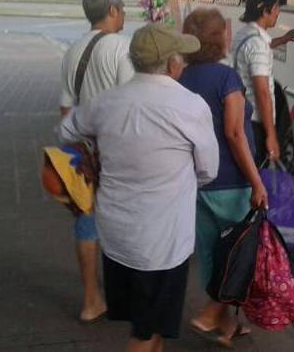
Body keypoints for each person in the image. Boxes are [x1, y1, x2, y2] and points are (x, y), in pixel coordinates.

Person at [58, 24, 218, 352]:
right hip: (162, 242)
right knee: (145, 332)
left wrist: (88, 155)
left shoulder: (106, 102)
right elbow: (208, 171)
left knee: (148, 324)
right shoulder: (190, 106)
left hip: (116, 235)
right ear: (171, 64)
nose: (185, 64)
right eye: (182, 58)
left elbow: (65, 129)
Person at [179, 8, 268, 347]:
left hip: (197, 182)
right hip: (231, 180)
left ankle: (228, 323)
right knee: (241, 254)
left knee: (212, 253)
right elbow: (234, 133)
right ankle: (209, 313)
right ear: (220, 39)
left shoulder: (183, 77)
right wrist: (257, 182)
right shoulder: (226, 79)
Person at [59, 0, 134, 323]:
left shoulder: (73, 49)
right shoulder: (120, 47)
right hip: (114, 151)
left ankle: (91, 298)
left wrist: (75, 149)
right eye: (122, 9)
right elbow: (131, 103)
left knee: (86, 223)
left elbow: (66, 110)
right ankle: (124, 295)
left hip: (80, 150)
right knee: (123, 222)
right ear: (113, 10)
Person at [231, 0, 294, 165]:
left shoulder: (246, 34)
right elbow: (262, 92)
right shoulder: (257, 44)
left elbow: (263, 47)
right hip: (255, 125)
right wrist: (271, 135)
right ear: (265, 11)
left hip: (243, 118)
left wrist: (282, 40)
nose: (278, 12)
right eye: (276, 8)